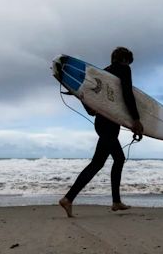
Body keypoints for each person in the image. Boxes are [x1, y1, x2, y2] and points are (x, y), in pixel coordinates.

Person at [59, 47, 144, 218]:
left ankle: (116, 202)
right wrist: (135, 119)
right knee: (98, 163)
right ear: (125, 59)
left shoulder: (103, 74)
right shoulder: (123, 69)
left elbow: (91, 105)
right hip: (109, 123)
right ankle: (69, 198)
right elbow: (127, 94)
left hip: (102, 121)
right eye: (128, 61)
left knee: (117, 159)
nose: (129, 65)